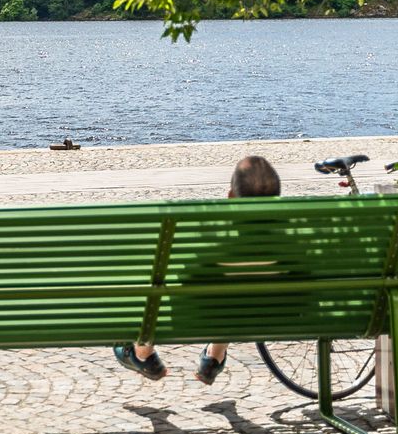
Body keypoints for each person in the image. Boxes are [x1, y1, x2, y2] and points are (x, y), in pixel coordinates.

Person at [112, 154, 283, 386]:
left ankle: (142, 354)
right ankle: (214, 355)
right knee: (233, 299)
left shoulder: (214, 246)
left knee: (165, 289)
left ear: (231, 197)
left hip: (196, 318)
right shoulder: (294, 245)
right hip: (279, 317)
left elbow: (183, 284)